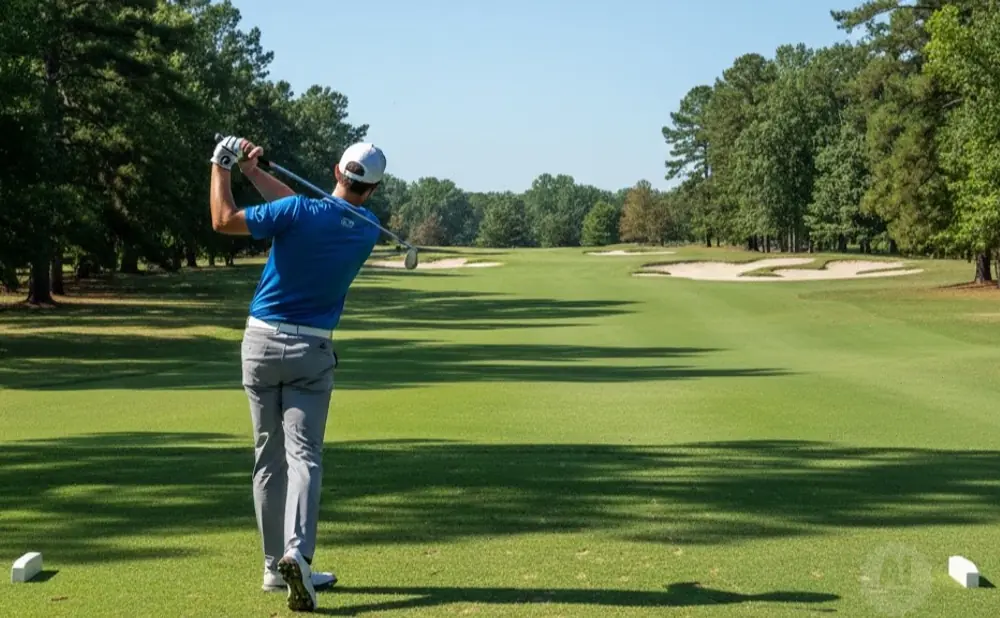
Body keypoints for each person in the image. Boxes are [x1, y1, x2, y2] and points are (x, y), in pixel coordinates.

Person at [208, 134, 386, 612]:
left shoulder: (298, 214)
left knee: (268, 457)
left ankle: (273, 567)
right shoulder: (367, 229)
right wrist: (253, 171)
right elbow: (304, 211)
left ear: (336, 169)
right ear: (372, 189)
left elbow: (224, 220)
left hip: (261, 343)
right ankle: (298, 557)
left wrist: (222, 166)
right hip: (312, 348)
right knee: (304, 457)